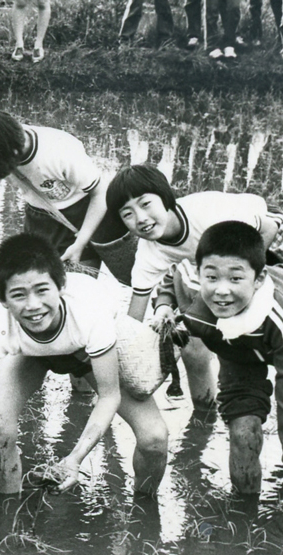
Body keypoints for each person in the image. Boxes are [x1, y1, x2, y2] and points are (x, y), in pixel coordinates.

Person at [0, 234, 168, 518]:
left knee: (155, 438)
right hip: (28, 355)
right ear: (2, 299)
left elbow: (109, 396)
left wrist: (74, 458)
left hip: (86, 351)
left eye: (41, 290)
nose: (33, 305)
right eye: (18, 295)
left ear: (60, 286)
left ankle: (144, 512)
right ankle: (9, 514)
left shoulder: (90, 313)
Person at [106, 163, 281, 407]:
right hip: (215, 263)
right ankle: (206, 409)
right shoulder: (148, 253)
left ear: (166, 198)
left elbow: (270, 227)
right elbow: (134, 317)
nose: (141, 219)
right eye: (128, 214)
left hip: (266, 227)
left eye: (145, 204)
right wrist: (116, 364)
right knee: (194, 332)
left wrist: (240, 283)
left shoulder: (207, 213)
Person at [158, 222, 283, 493]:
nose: (221, 291)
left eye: (236, 278)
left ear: (259, 279)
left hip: (275, 340)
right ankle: (243, 518)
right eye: (212, 277)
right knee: (242, 434)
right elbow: (175, 273)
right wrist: (164, 304)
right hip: (239, 355)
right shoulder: (193, 290)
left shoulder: (277, 314)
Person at [0, 106, 126, 278]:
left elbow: (100, 193)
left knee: (78, 286)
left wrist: (80, 242)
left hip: (85, 214)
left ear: (12, 153)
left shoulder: (58, 151)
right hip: (40, 218)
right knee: (37, 280)